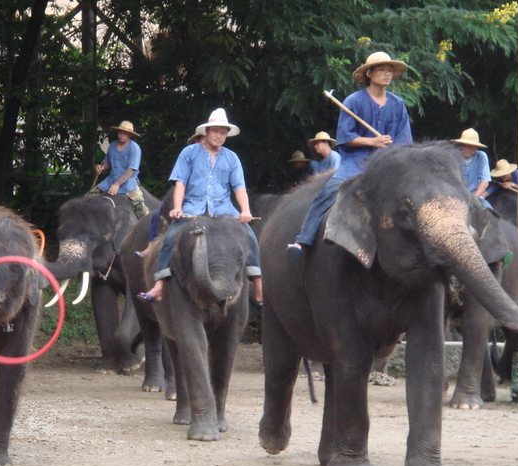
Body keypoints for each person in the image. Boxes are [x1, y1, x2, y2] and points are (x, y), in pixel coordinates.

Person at [286, 52, 412, 258]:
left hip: (388, 162)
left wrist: (391, 150)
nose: (387, 74)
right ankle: (303, 240)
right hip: (356, 162)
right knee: (328, 192)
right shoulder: (353, 101)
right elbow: (345, 136)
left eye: (390, 70)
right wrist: (373, 141)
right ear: (369, 73)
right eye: (381, 69)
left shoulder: (398, 104)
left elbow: (405, 141)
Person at [137, 108, 262, 304]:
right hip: (192, 209)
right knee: (169, 238)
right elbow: (180, 182)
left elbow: (239, 187)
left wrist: (245, 211)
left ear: (227, 134)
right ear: (207, 131)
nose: (218, 135)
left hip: (224, 211)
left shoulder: (232, 158)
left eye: (223, 132)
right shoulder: (189, 153)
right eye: (215, 131)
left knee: (251, 238)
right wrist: (177, 207)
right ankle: (159, 285)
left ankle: (259, 286)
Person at [135, 129, 204, 260]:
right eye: (203, 139)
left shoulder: (219, 157)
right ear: (197, 140)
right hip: (185, 192)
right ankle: (151, 246)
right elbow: (180, 181)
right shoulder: (189, 156)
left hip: (209, 198)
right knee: (157, 214)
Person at [89, 120, 147, 218]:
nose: (121, 135)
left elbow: (131, 169)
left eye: (125, 133)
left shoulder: (134, 148)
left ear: (130, 135)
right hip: (110, 180)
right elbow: (107, 163)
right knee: (88, 199)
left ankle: (148, 229)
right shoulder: (112, 145)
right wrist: (101, 167)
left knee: (141, 210)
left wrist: (118, 183)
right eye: (120, 132)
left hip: (128, 183)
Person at [452, 128, 492, 201]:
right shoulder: (453, 156)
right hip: (455, 195)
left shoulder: (481, 156)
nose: (466, 148)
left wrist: (474, 198)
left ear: (476, 147)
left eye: (470, 145)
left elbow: (485, 182)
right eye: (464, 145)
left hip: (474, 195)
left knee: (489, 209)